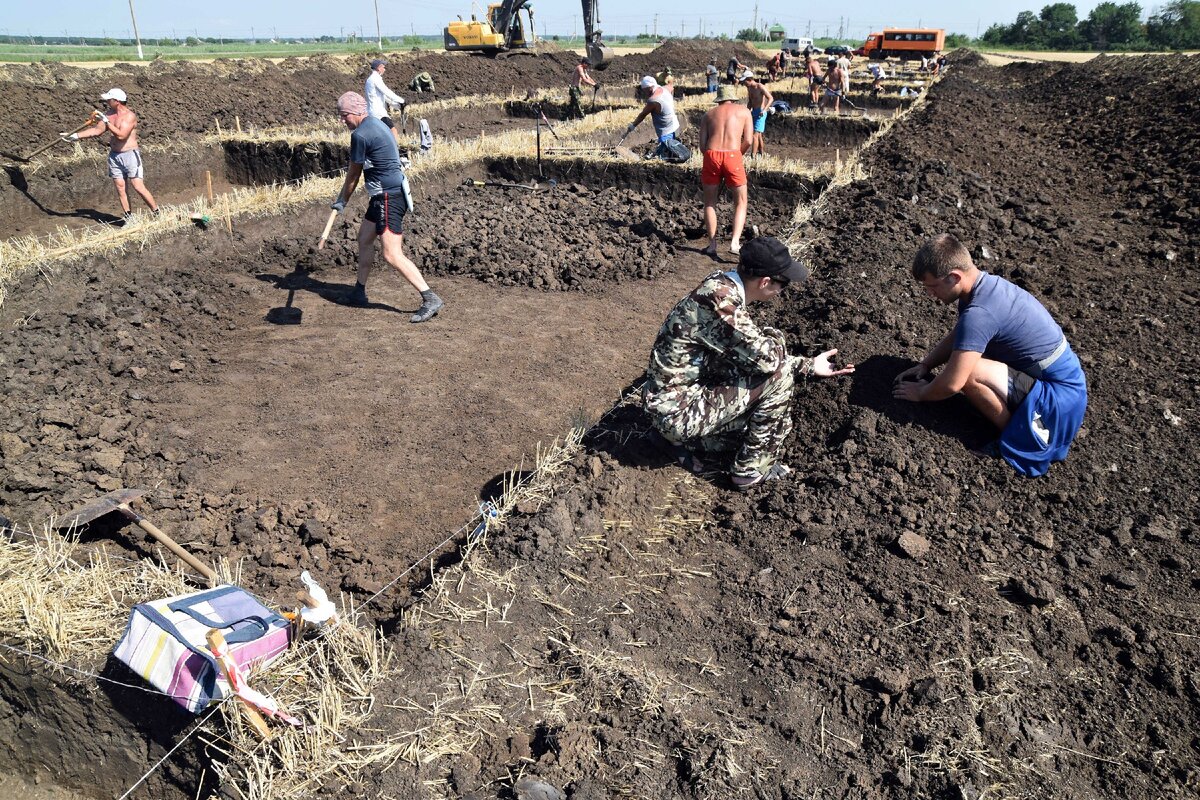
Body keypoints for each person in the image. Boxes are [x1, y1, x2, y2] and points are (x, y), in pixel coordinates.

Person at [642, 236, 854, 490]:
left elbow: (750, 357)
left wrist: (808, 365)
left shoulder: (720, 285)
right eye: (783, 284)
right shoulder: (722, 303)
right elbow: (770, 363)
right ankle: (749, 471)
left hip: (673, 402)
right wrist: (776, 335)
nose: (782, 291)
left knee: (763, 416)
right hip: (676, 413)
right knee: (779, 378)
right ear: (765, 282)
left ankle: (679, 442)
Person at [892, 234, 1087, 477]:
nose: (930, 294)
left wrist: (921, 393)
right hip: (1059, 384)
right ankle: (1013, 415)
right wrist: (927, 365)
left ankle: (1017, 439)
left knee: (969, 373)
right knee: (967, 366)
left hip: (1058, 401)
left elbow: (953, 383)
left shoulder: (980, 312)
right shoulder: (984, 287)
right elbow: (961, 335)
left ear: (954, 277)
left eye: (932, 287)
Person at [327, 92, 444, 323]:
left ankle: (430, 297)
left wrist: (342, 200)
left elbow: (353, 174)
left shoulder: (360, 135)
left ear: (356, 112)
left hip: (387, 197)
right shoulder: (377, 123)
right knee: (364, 239)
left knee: (391, 254)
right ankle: (359, 291)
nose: (342, 121)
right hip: (385, 194)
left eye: (344, 116)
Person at [64, 88, 158, 221]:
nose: (107, 102)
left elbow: (121, 135)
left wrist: (107, 122)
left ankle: (156, 212)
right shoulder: (109, 114)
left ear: (117, 101)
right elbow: (97, 131)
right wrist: (76, 136)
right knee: (120, 188)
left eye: (109, 99)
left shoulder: (129, 116)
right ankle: (129, 218)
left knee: (138, 186)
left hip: (130, 155)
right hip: (115, 156)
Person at [699, 85, 753, 257]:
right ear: (733, 98)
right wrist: (737, 154)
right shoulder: (744, 112)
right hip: (732, 155)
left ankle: (712, 244)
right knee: (741, 202)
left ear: (719, 99)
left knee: (709, 203)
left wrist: (713, 159)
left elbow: (702, 145)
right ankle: (735, 243)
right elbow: (749, 141)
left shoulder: (708, 114)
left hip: (711, 155)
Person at [625, 76, 682, 161]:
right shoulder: (664, 89)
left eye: (645, 90)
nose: (644, 92)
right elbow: (671, 87)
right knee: (668, 151)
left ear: (650, 88)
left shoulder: (653, 100)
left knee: (664, 156)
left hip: (666, 131)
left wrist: (633, 126)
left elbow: (643, 115)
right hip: (674, 125)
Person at [364, 58, 405, 143]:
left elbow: (383, 96)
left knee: (380, 134)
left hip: (373, 112)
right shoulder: (375, 78)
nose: (384, 69)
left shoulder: (371, 79)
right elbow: (386, 91)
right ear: (379, 68)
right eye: (383, 67)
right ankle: (395, 148)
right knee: (393, 131)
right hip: (379, 113)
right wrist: (401, 101)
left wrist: (396, 105)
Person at [739, 69, 772, 159]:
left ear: (749, 79)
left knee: (755, 135)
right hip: (754, 112)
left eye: (745, 81)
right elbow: (750, 101)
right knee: (759, 135)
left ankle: (753, 156)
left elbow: (770, 98)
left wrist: (764, 110)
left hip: (761, 112)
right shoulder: (749, 88)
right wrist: (747, 111)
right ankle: (761, 153)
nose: (744, 84)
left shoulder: (760, 86)